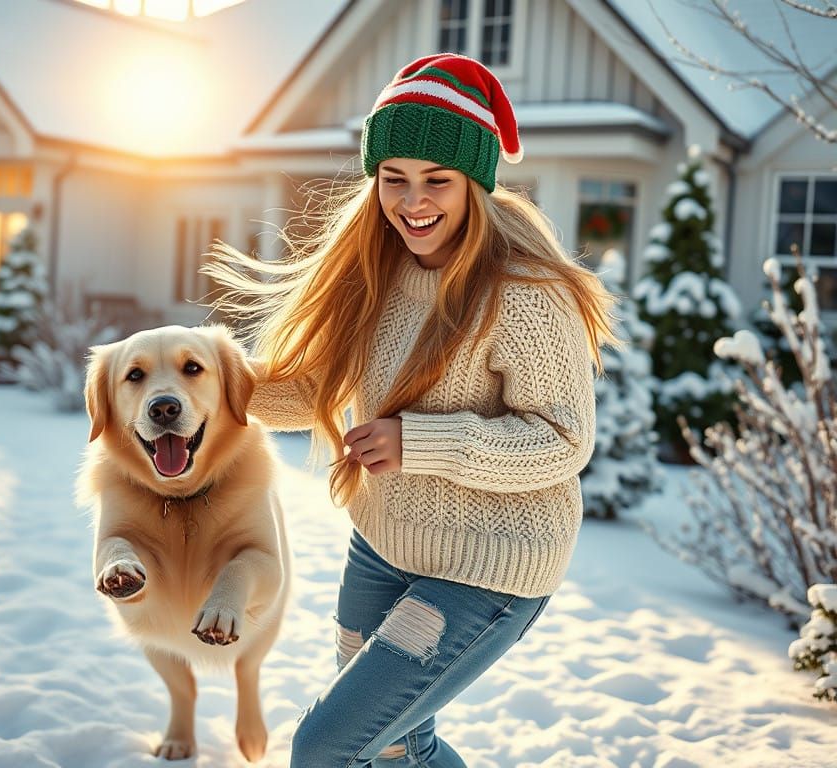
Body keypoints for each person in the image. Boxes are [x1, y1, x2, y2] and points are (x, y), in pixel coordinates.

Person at [202, 53, 621, 767]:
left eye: (437, 180)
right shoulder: (378, 269)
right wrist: (204, 390)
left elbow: (563, 440)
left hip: (490, 563)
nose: (412, 200)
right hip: (384, 540)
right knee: (395, 745)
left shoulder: (523, 291)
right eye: (393, 178)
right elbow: (312, 388)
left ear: (476, 184)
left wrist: (420, 441)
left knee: (326, 746)